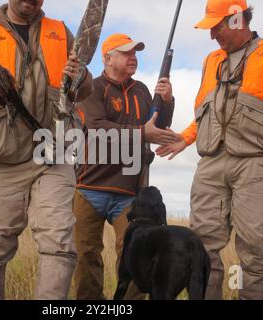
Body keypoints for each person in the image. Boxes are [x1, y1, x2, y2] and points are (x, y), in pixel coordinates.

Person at [157, 0, 263, 300]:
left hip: (258, 165)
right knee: (202, 248)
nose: (213, 35)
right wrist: (185, 139)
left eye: (217, 26)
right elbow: (205, 113)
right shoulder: (211, 61)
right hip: (211, 165)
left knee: (251, 251)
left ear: (237, 19)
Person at [0, 0, 92, 299]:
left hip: (52, 154)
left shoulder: (61, 31)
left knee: (58, 243)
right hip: (3, 156)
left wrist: (80, 76)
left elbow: (84, 86)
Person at [73, 33, 176, 299]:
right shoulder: (91, 88)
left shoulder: (142, 90)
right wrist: (143, 133)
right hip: (89, 186)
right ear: (107, 58)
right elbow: (96, 129)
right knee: (86, 255)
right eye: (126, 53)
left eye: (136, 53)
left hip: (130, 192)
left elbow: (158, 128)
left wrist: (166, 102)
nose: (133, 58)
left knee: (136, 256)